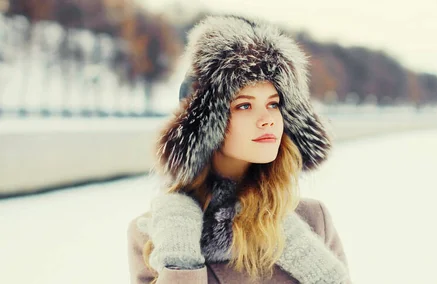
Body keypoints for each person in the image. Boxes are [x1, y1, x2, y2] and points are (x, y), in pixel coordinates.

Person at [126, 15, 352, 284]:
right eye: (244, 105)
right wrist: (180, 258)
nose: (267, 118)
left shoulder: (313, 220)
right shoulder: (154, 233)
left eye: (273, 103)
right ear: (208, 125)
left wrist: (316, 266)